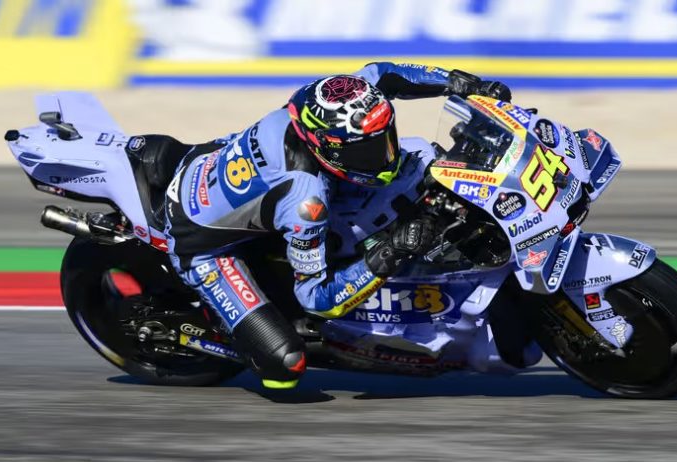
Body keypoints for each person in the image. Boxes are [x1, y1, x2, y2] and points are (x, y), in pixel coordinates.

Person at [162, 62, 512, 389]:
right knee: (285, 367)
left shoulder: (326, 102)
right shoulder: (305, 201)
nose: (384, 156)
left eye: (385, 138)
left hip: (210, 166)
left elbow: (384, 73)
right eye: (365, 153)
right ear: (326, 148)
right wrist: (391, 251)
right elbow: (316, 298)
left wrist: (456, 83)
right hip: (202, 248)